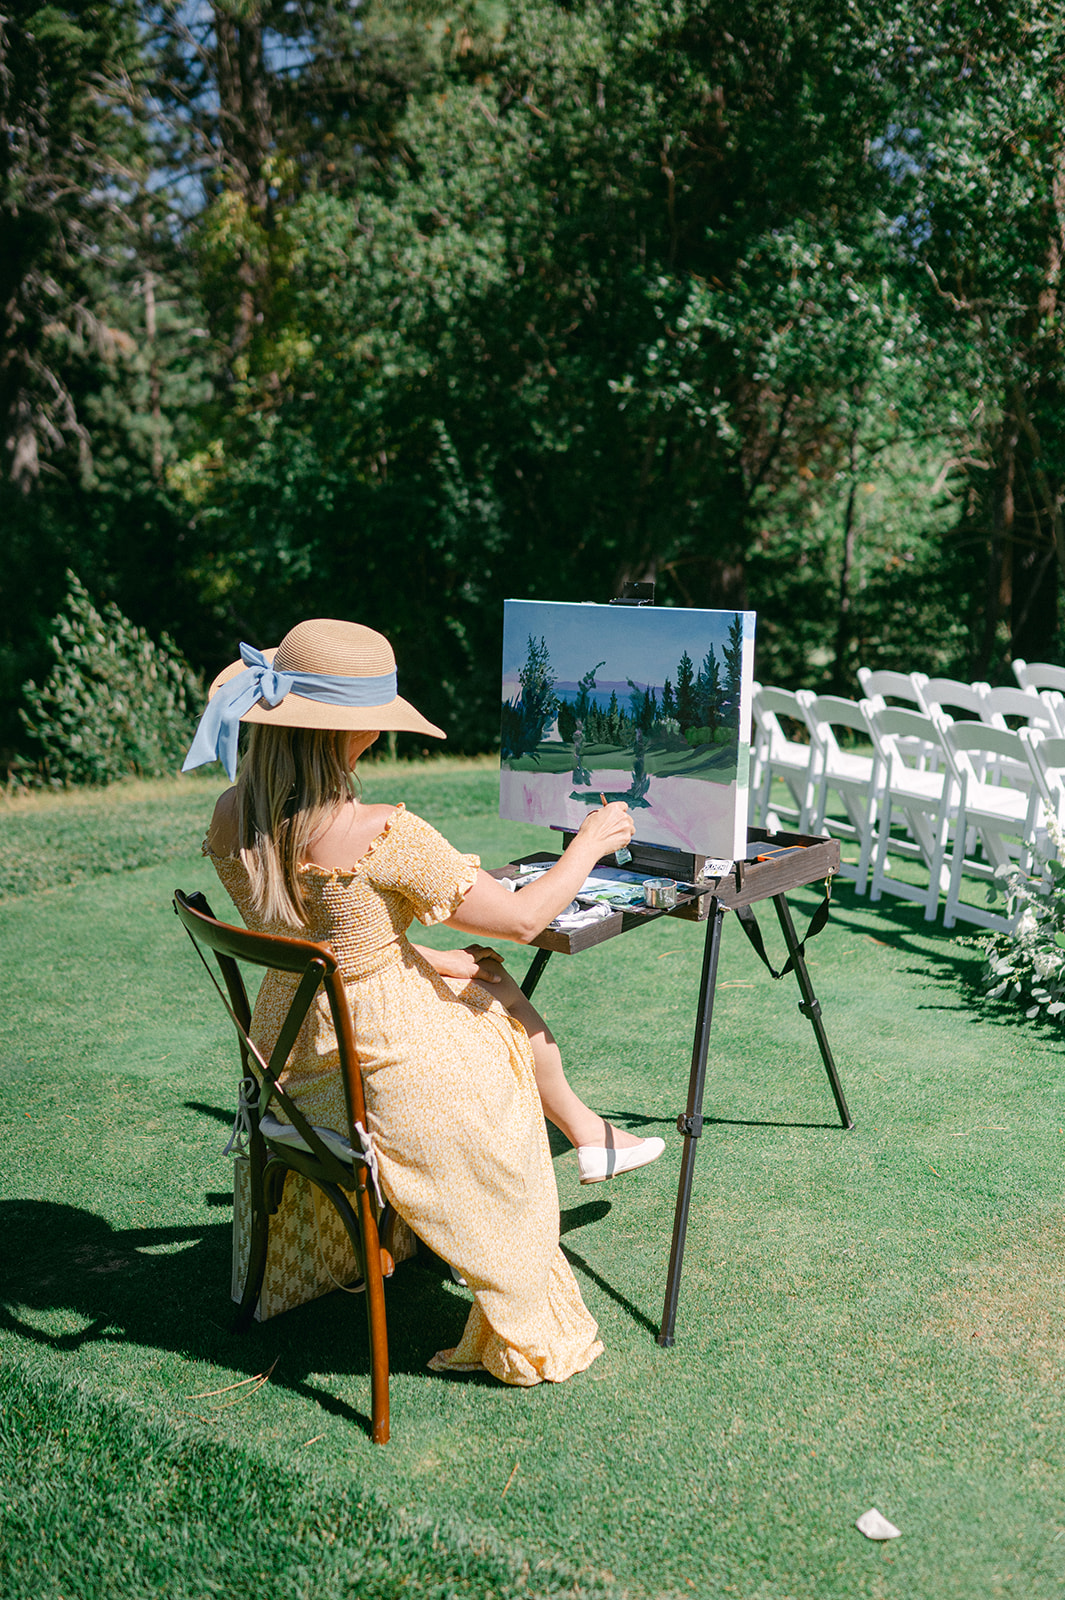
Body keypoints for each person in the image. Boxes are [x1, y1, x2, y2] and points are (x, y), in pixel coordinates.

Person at [183, 618, 664, 1386]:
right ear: (361, 735)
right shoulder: (381, 832)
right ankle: (578, 1143)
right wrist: (589, 842)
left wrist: (414, 956)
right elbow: (522, 917)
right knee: (502, 1015)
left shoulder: (231, 811)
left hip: (293, 1064)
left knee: (476, 976)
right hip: (369, 1068)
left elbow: (317, 931)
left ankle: (588, 1131)